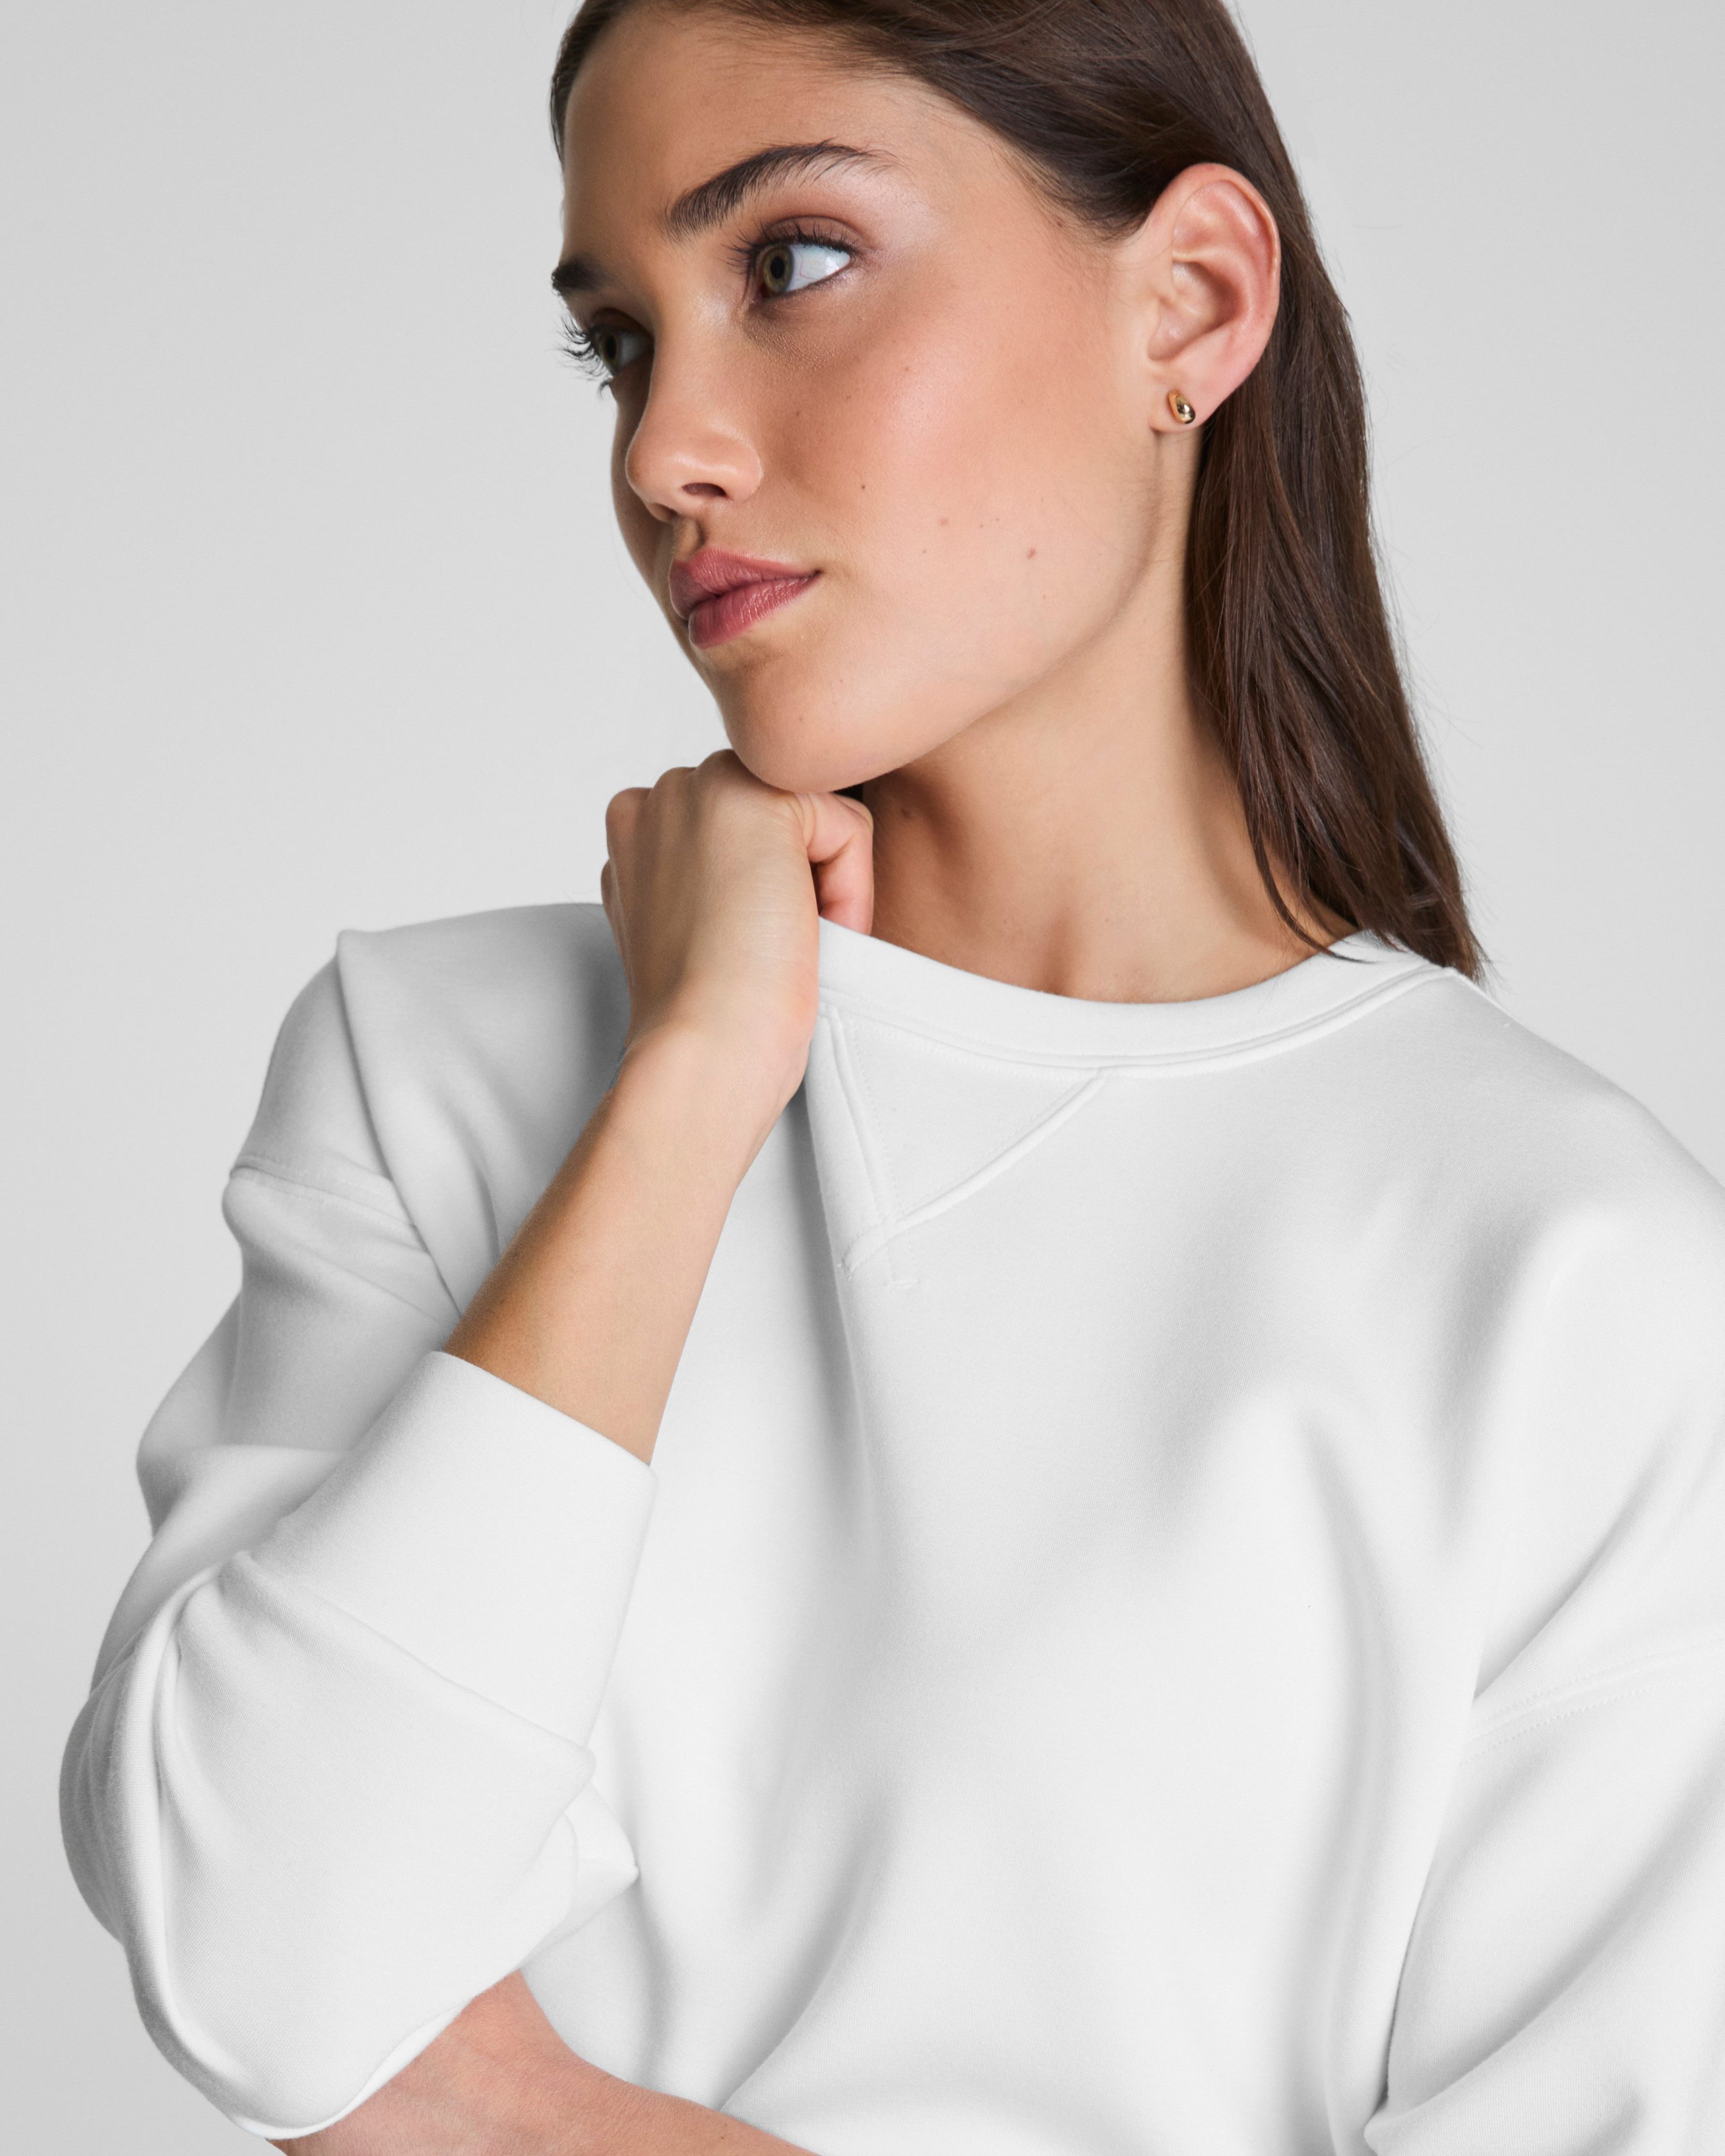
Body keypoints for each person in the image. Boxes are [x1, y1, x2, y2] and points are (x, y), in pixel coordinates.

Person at [60, 1, 1725, 2150]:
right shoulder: (439, 1069)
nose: (666, 451)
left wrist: (497, 2110)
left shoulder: (1579, 1275)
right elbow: (264, 1957)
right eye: (620, 342)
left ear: (1191, 304)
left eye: (794, 263)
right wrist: (688, 1083)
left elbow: (372, 2074)